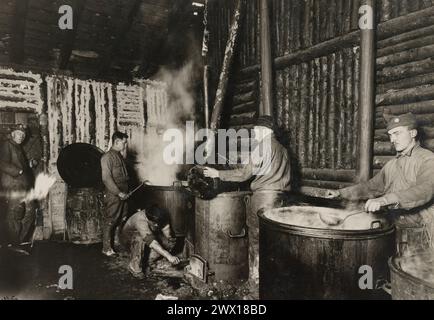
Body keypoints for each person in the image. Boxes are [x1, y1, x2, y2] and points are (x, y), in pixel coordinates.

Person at [203, 115, 291, 286]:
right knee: (275, 241)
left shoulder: (263, 146)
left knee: (257, 240)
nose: (254, 134)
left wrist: (217, 174)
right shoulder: (283, 150)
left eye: (256, 130)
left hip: (263, 200)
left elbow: (244, 174)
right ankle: (273, 282)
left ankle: (255, 283)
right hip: (281, 200)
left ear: (265, 130)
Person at [326, 113, 434, 252]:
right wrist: (340, 193)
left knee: (411, 271)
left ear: (413, 133)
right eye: (390, 135)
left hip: (421, 232)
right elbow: (371, 187)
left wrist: (385, 200)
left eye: (397, 133)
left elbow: (424, 190)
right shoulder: (392, 164)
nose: (392, 139)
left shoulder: (428, 160)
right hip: (395, 229)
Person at [0, 124, 35, 254]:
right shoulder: (7, 144)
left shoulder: (18, 147)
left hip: (23, 186)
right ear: (13, 134)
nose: (21, 137)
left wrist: (29, 165)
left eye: (23, 135)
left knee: (30, 211)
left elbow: (19, 164)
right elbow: (2, 163)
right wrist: (18, 171)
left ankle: (18, 240)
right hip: (13, 185)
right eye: (18, 134)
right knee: (14, 214)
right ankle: (13, 243)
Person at [121, 206, 180, 278]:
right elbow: (152, 242)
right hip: (129, 240)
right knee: (139, 238)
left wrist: (169, 239)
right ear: (146, 218)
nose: (156, 225)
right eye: (154, 223)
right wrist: (168, 255)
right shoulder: (140, 221)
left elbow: (166, 227)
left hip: (148, 236)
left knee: (169, 241)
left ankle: (148, 260)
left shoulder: (158, 214)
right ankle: (134, 266)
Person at [101, 131, 130, 257]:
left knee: (122, 218)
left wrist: (125, 192)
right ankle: (106, 248)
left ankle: (117, 244)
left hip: (124, 193)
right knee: (111, 220)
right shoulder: (107, 157)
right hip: (114, 194)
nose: (125, 145)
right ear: (117, 142)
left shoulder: (119, 156)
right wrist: (118, 193)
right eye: (124, 143)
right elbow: (106, 179)